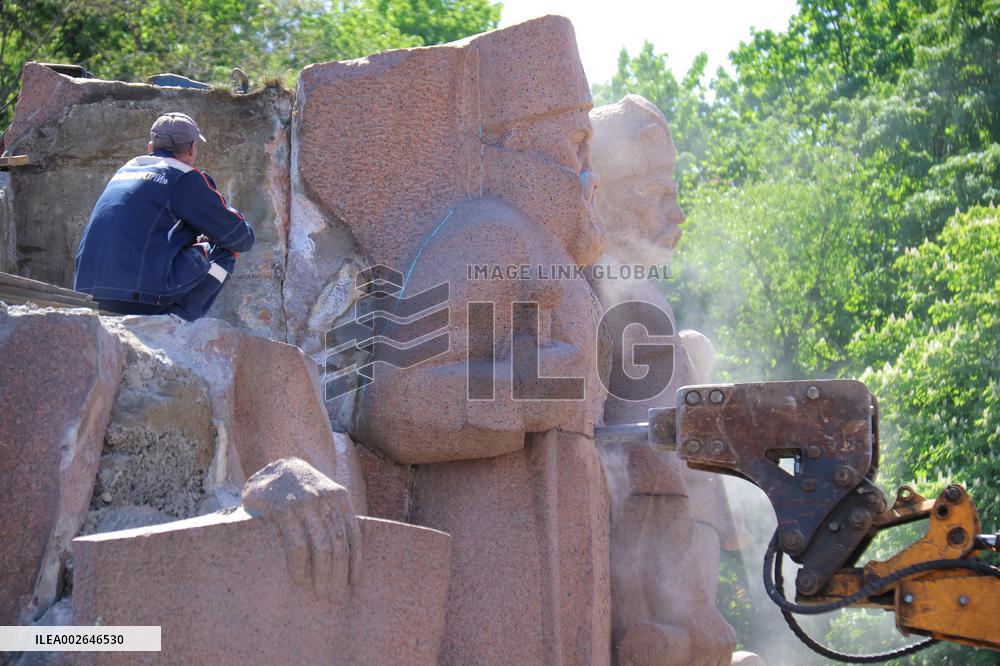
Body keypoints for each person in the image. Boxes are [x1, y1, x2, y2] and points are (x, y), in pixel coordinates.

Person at [74, 112, 254, 320]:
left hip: (88, 292)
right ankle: (175, 323)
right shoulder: (184, 177)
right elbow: (241, 237)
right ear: (193, 147)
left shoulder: (124, 171)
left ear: (151, 147)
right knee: (224, 250)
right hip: (139, 297)